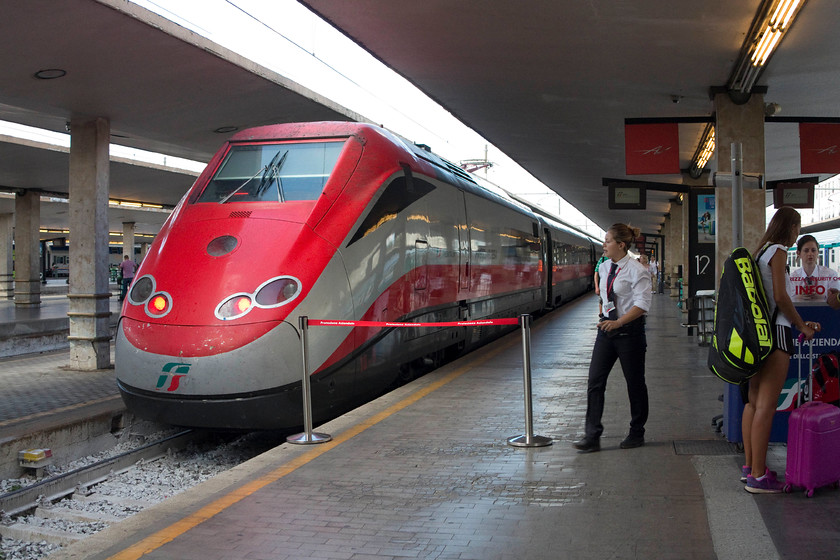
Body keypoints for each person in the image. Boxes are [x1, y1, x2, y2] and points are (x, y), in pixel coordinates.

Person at [742, 207, 819, 493]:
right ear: (790, 227)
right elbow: (779, 296)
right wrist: (801, 325)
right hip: (777, 336)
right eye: (797, 227)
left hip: (760, 335)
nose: (798, 232)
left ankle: (751, 467)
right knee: (767, 405)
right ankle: (759, 477)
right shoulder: (778, 252)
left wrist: (798, 320)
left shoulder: (760, 252)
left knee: (753, 403)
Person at [573, 223, 652, 453]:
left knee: (635, 384)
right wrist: (604, 313)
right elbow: (605, 294)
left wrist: (619, 321)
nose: (603, 245)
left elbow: (642, 305)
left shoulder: (638, 271)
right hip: (606, 331)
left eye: (607, 241)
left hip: (629, 333)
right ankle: (592, 436)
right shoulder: (606, 267)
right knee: (595, 382)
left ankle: (637, 432)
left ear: (621, 245)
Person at [789, 235, 840, 300]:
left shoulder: (831, 275)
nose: (810, 254)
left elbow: (836, 300)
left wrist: (822, 297)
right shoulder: (792, 278)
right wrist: (799, 297)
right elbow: (787, 300)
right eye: (806, 251)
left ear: (818, 252)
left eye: (813, 250)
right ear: (799, 253)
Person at [593, 250, 609, 317]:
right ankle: (603, 314)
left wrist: (596, 287)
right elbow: (596, 274)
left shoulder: (616, 260)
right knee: (603, 300)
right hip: (604, 286)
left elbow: (596, 274)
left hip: (611, 286)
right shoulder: (602, 260)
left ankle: (606, 314)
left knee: (606, 300)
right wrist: (596, 287)